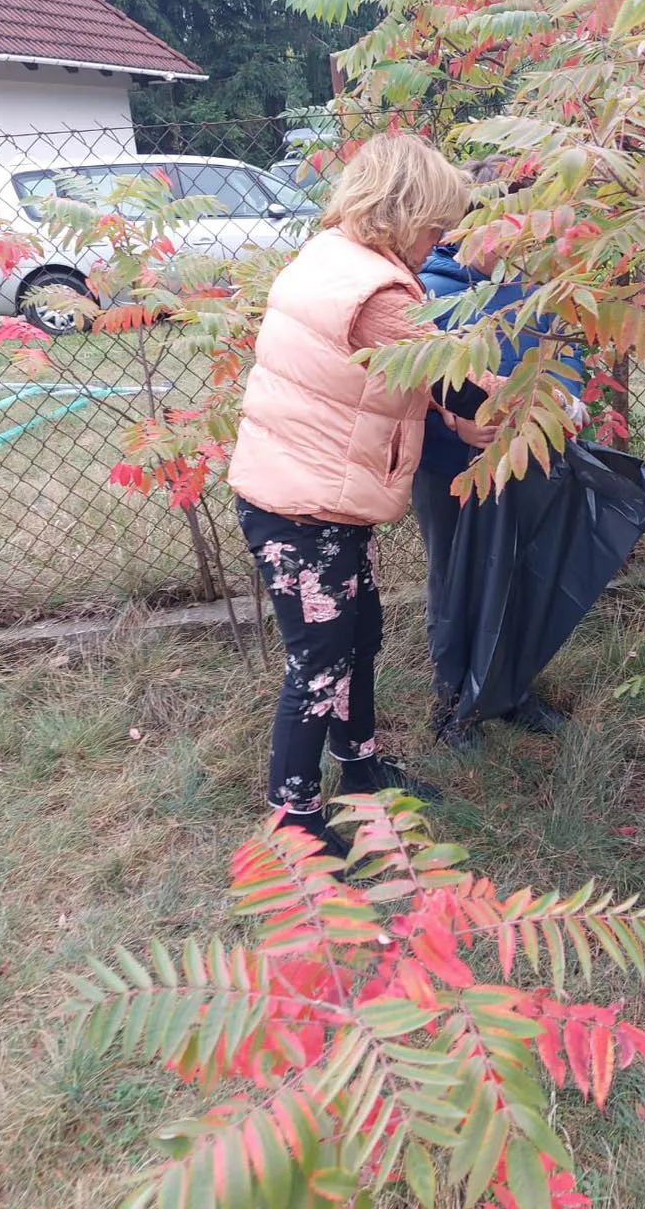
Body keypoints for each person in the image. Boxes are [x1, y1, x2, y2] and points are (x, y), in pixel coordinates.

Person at [228, 134, 495, 855]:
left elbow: (400, 375)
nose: (441, 243)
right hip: (301, 507)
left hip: (313, 493)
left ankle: (360, 767)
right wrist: (532, 404)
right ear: (404, 215)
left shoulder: (333, 256)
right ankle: (295, 822)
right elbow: (455, 379)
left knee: (359, 635)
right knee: (320, 659)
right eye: (436, 228)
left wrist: (456, 413)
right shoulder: (376, 293)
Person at [413, 157, 587, 747]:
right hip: (450, 468)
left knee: (515, 570)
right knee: (454, 578)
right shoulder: (431, 291)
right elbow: (411, 387)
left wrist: (568, 398)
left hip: (523, 461)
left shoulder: (532, 288)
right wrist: (458, 429)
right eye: (511, 220)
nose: (523, 235)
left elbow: (563, 354)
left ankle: (509, 690)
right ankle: (453, 704)